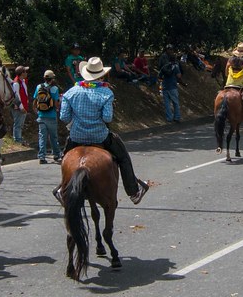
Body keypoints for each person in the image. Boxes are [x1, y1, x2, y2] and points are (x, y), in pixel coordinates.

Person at [58, 57, 149, 204]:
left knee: (65, 160)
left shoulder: (71, 92)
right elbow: (107, 118)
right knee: (123, 157)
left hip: (77, 136)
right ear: (100, 75)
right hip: (99, 136)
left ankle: (62, 190)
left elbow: (64, 117)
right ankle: (133, 191)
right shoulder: (106, 93)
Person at [32, 69, 62, 164]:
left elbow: (35, 100)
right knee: (53, 137)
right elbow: (56, 103)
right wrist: (58, 109)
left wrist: (36, 110)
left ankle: (41, 156)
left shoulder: (38, 87)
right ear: (52, 78)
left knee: (42, 136)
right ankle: (56, 154)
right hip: (51, 116)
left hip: (41, 115)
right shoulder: (54, 89)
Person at [158, 46, 183, 123]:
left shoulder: (164, 67)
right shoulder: (175, 66)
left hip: (165, 87)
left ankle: (169, 118)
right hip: (173, 86)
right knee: (175, 102)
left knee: (167, 104)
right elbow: (179, 76)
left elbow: (159, 76)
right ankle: (177, 117)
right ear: (175, 59)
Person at [11, 65, 31, 143]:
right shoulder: (16, 83)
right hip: (19, 106)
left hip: (24, 105)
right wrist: (21, 106)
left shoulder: (23, 81)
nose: (26, 73)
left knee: (21, 123)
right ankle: (17, 139)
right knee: (18, 123)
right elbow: (17, 96)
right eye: (25, 71)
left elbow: (24, 92)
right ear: (22, 73)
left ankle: (18, 137)